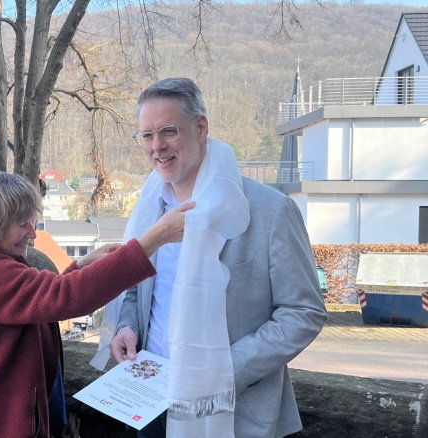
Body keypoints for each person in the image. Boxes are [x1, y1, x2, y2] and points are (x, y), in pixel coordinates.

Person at [92, 77, 327, 438]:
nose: (157, 147)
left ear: (201, 128)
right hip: (152, 399)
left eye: (168, 131)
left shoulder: (270, 210)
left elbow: (303, 313)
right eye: (147, 135)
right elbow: (139, 286)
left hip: (235, 411)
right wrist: (127, 326)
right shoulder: (148, 209)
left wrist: (222, 369)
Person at [0, 171, 193, 437]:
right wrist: (155, 239)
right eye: (21, 224)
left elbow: (36, 300)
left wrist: (79, 266)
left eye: (32, 222)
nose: (32, 234)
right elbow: (67, 296)